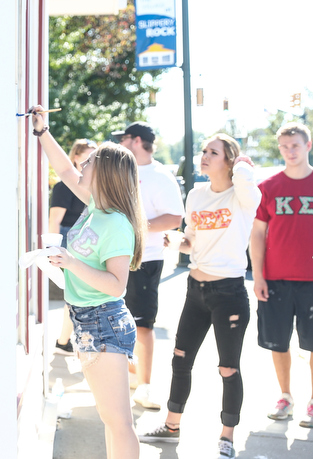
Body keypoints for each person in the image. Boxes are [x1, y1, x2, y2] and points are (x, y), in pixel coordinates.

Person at [30, 105, 147, 459]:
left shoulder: (117, 224)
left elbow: (117, 285)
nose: (83, 164)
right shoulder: (96, 205)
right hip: (87, 319)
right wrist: (42, 132)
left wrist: (71, 262)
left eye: (91, 160)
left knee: (118, 421)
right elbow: (64, 168)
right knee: (109, 419)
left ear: (106, 172)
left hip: (104, 321)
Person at [139, 134, 261, 459]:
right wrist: (174, 241)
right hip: (196, 290)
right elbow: (191, 241)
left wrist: (242, 165)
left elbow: (249, 181)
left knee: (228, 369)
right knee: (180, 359)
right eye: (204, 151)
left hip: (229, 293)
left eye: (213, 152)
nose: (204, 156)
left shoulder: (242, 196)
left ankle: (227, 437)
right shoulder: (196, 194)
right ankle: (171, 425)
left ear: (229, 160)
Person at [112, 122, 185, 410]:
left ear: (138, 141)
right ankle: (130, 375)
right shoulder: (119, 169)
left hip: (145, 259)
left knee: (142, 324)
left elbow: (174, 218)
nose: (120, 143)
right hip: (114, 256)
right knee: (116, 320)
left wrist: (136, 228)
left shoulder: (160, 176)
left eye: (125, 138)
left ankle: (145, 386)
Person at [250, 122, 313, 429]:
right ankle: (285, 396)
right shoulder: (269, 187)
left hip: (311, 280)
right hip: (276, 280)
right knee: (279, 342)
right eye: (285, 147)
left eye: (296, 146)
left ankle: (312, 401)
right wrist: (258, 276)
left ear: (308, 146)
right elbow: (258, 235)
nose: (290, 151)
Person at [51, 139, 96, 355]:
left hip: (88, 242)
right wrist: (53, 249)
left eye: (94, 156)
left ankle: (63, 341)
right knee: (74, 294)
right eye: (87, 156)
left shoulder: (94, 187)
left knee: (76, 294)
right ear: (76, 158)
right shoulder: (63, 187)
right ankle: (64, 341)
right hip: (70, 240)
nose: (91, 161)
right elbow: (54, 221)